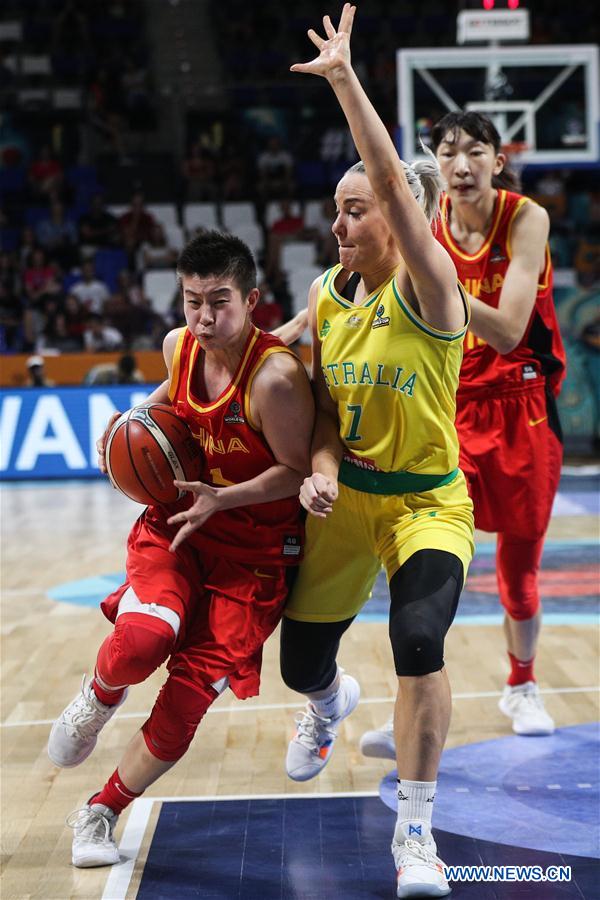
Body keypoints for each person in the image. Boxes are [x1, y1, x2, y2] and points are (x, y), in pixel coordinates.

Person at [280, 7, 474, 898]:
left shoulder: (433, 292)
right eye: (336, 212)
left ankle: (418, 833)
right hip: (347, 497)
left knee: (419, 636)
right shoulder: (326, 293)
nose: (341, 224)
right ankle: (326, 709)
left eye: (355, 210)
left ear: (398, 218)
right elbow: (273, 361)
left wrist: (346, 79)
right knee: (298, 664)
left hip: (428, 502)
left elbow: (396, 183)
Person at [47, 230, 314, 869]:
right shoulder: (180, 347)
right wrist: (129, 425)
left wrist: (223, 498)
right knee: (142, 639)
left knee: (186, 699)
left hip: (251, 556)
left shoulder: (275, 378)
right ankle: (99, 696)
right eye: (192, 300)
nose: (203, 316)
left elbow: (295, 470)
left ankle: (101, 810)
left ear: (251, 300)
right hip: (177, 528)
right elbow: (165, 405)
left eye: (218, 300)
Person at [360, 110, 566, 757]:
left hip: (523, 406)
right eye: (449, 153)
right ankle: (413, 708)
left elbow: (507, 329)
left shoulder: (525, 218)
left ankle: (522, 684)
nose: (462, 164)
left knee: (519, 573)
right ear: (437, 165)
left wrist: (435, 280)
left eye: (476, 152)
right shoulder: (426, 228)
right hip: (447, 409)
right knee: (425, 559)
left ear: (497, 162)